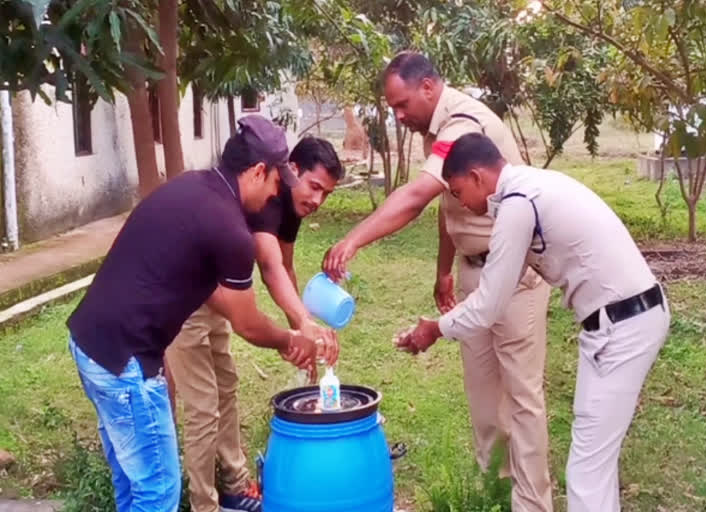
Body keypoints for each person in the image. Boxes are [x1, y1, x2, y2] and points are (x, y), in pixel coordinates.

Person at [322, 51, 553, 511]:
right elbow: (453, 205)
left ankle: (533, 505)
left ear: (429, 87)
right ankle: (494, 498)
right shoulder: (438, 129)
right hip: (475, 272)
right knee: (486, 407)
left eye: (402, 104)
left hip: (514, 281)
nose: (399, 115)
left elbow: (416, 196)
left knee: (523, 403)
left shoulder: (462, 121)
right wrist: (444, 269)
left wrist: (352, 240)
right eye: (393, 108)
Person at [397, 133, 670, 512]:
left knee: (587, 467)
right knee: (593, 460)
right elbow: (498, 288)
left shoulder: (519, 203)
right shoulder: (528, 190)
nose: (460, 203)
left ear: (477, 177)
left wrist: (434, 329)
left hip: (624, 324)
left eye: (458, 192)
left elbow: (489, 305)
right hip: (617, 321)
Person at [66, 115, 320, 512]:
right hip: (124, 363)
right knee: (158, 491)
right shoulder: (230, 230)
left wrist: (294, 329)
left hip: (90, 344)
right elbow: (247, 323)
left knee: (133, 487)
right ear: (257, 171)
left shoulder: (193, 188)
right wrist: (289, 340)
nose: (275, 195)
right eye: (275, 182)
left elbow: (212, 293)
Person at [165, 135, 345, 512]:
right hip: (187, 294)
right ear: (292, 171)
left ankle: (234, 484)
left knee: (226, 385)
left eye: (326, 193)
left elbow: (286, 264)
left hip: (218, 292)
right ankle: (204, 504)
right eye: (314, 187)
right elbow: (268, 266)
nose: (317, 200)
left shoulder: (293, 207)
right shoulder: (271, 197)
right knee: (202, 406)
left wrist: (301, 327)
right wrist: (296, 330)